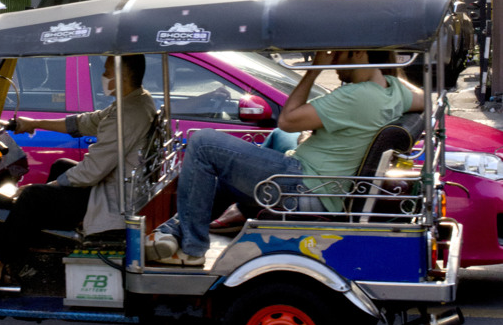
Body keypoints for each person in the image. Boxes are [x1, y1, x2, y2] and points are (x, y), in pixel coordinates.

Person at [146, 49, 424, 267]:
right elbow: (425, 99)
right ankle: (173, 230)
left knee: (203, 143)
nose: (333, 63)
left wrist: (313, 71)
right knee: (233, 161)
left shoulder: (356, 95)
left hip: (301, 186)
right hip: (315, 181)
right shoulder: (392, 91)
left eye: (336, 54)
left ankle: (191, 249)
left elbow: (288, 119)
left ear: (358, 53)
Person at [0, 53, 156, 289]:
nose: (103, 75)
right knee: (60, 165)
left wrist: (47, 187)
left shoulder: (128, 114)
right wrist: (34, 123)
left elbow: (91, 172)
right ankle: (26, 249)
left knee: (32, 197)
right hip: (115, 184)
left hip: (111, 198)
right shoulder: (135, 101)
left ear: (123, 75)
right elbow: (85, 122)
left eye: (107, 70)